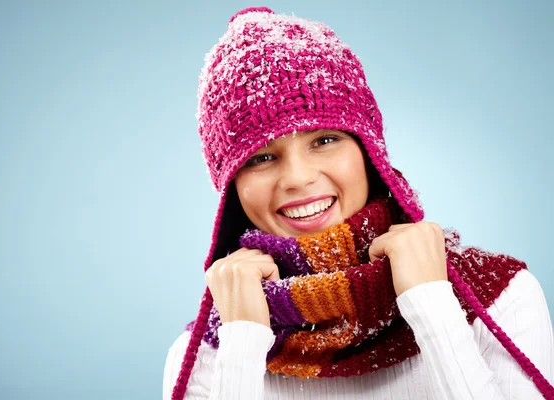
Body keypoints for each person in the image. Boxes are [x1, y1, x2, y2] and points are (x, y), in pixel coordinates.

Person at [163, 7, 554, 399]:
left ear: (369, 151)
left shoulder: (501, 298)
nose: (298, 178)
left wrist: (431, 304)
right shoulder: (205, 354)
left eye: (325, 139)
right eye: (260, 157)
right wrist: (243, 342)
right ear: (232, 186)